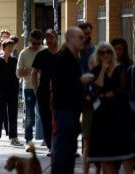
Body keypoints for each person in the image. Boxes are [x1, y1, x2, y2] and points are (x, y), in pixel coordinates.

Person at [88, 42, 135, 174]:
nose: (106, 55)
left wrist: (110, 93)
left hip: (119, 112)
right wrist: (103, 69)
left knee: (125, 151)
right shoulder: (96, 70)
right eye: (102, 53)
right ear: (99, 55)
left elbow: (122, 88)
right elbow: (97, 88)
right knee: (106, 153)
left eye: (108, 52)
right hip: (102, 115)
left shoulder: (120, 68)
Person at [51, 27, 86, 173]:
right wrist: (80, 81)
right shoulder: (62, 58)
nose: (83, 40)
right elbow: (59, 86)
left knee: (70, 151)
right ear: (70, 39)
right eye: (80, 37)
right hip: (64, 110)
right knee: (63, 151)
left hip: (72, 111)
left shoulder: (74, 58)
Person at [31, 29, 60, 156]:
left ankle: (60, 144)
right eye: (47, 38)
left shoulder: (63, 54)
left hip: (60, 94)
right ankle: (50, 146)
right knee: (46, 120)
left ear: (56, 38)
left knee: (59, 119)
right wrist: (36, 90)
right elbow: (34, 73)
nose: (49, 40)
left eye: (51, 37)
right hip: (44, 93)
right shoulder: (41, 55)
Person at [16, 30, 44, 150]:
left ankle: (44, 139)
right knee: (29, 115)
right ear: (30, 41)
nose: (36, 46)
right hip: (28, 87)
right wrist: (29, 70)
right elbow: (18, 74)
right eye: (34, 44)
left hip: (43, 87)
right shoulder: (24, 53)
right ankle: (29, 141)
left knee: (43, 113)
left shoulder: (44, 51)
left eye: (38, 43)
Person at [0, 39, 22, 146]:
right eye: (8, 46)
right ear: (3, 48)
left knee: (13, 115)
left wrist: (17, 88)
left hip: (12, 91)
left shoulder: (14, 60)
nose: (10, 48)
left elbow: (17, 76)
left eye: (11, 46)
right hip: (0, 91)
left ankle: (13, 137)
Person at [78, 22, 99, 174]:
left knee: (91, 139)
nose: (87, 36)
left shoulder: (96, 51)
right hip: (76, 98)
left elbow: (98, 75)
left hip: (93, 99)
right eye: (84, 33)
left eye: (89, 33)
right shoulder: (75, 51)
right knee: (84, 138)